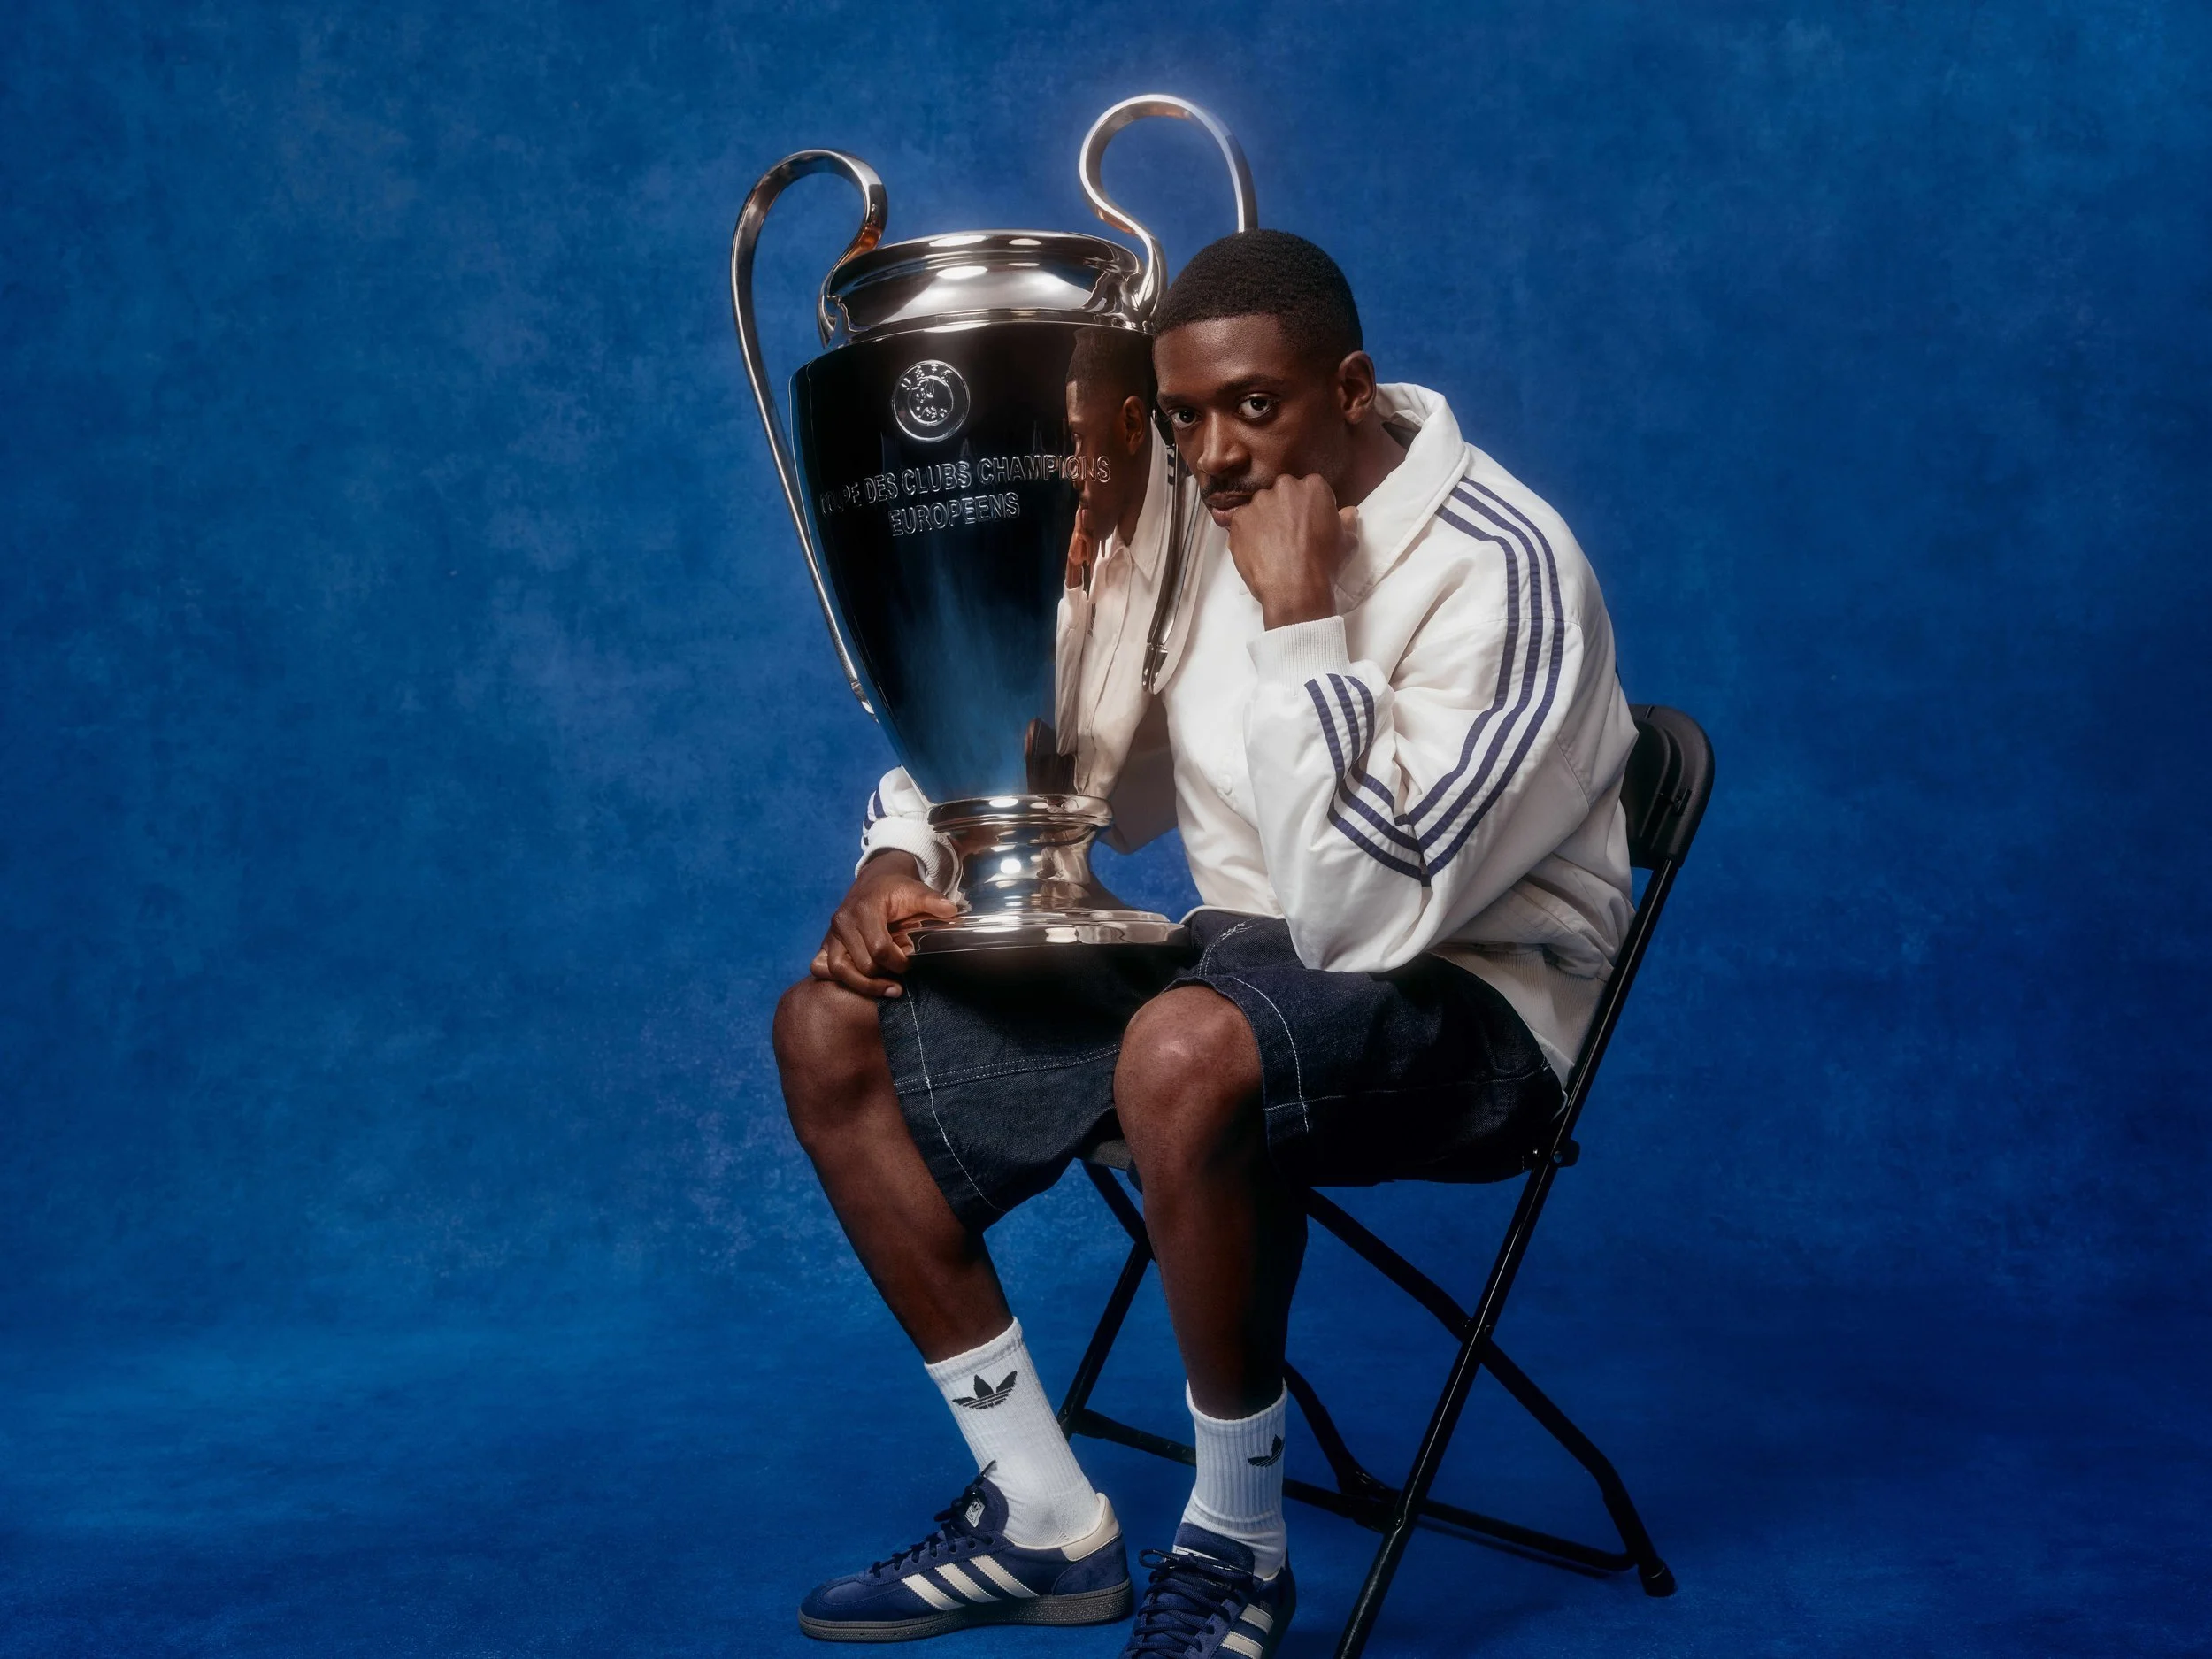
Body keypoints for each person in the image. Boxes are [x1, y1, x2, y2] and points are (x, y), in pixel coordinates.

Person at [772, 228, 1640, 1655]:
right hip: (1239, 972)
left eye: (1257, 405)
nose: (1217, 452)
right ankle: (1040, 1515)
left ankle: (1239, 1543)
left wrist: (1305, 621)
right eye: (1183, 416)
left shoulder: (1507, 567)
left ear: (1350, 387)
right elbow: (1071, 733)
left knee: (1181, 1049)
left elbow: (1369, 918)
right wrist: (899, 846)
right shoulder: (1196, 526)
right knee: (829, 1028)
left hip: (1473, 1008)